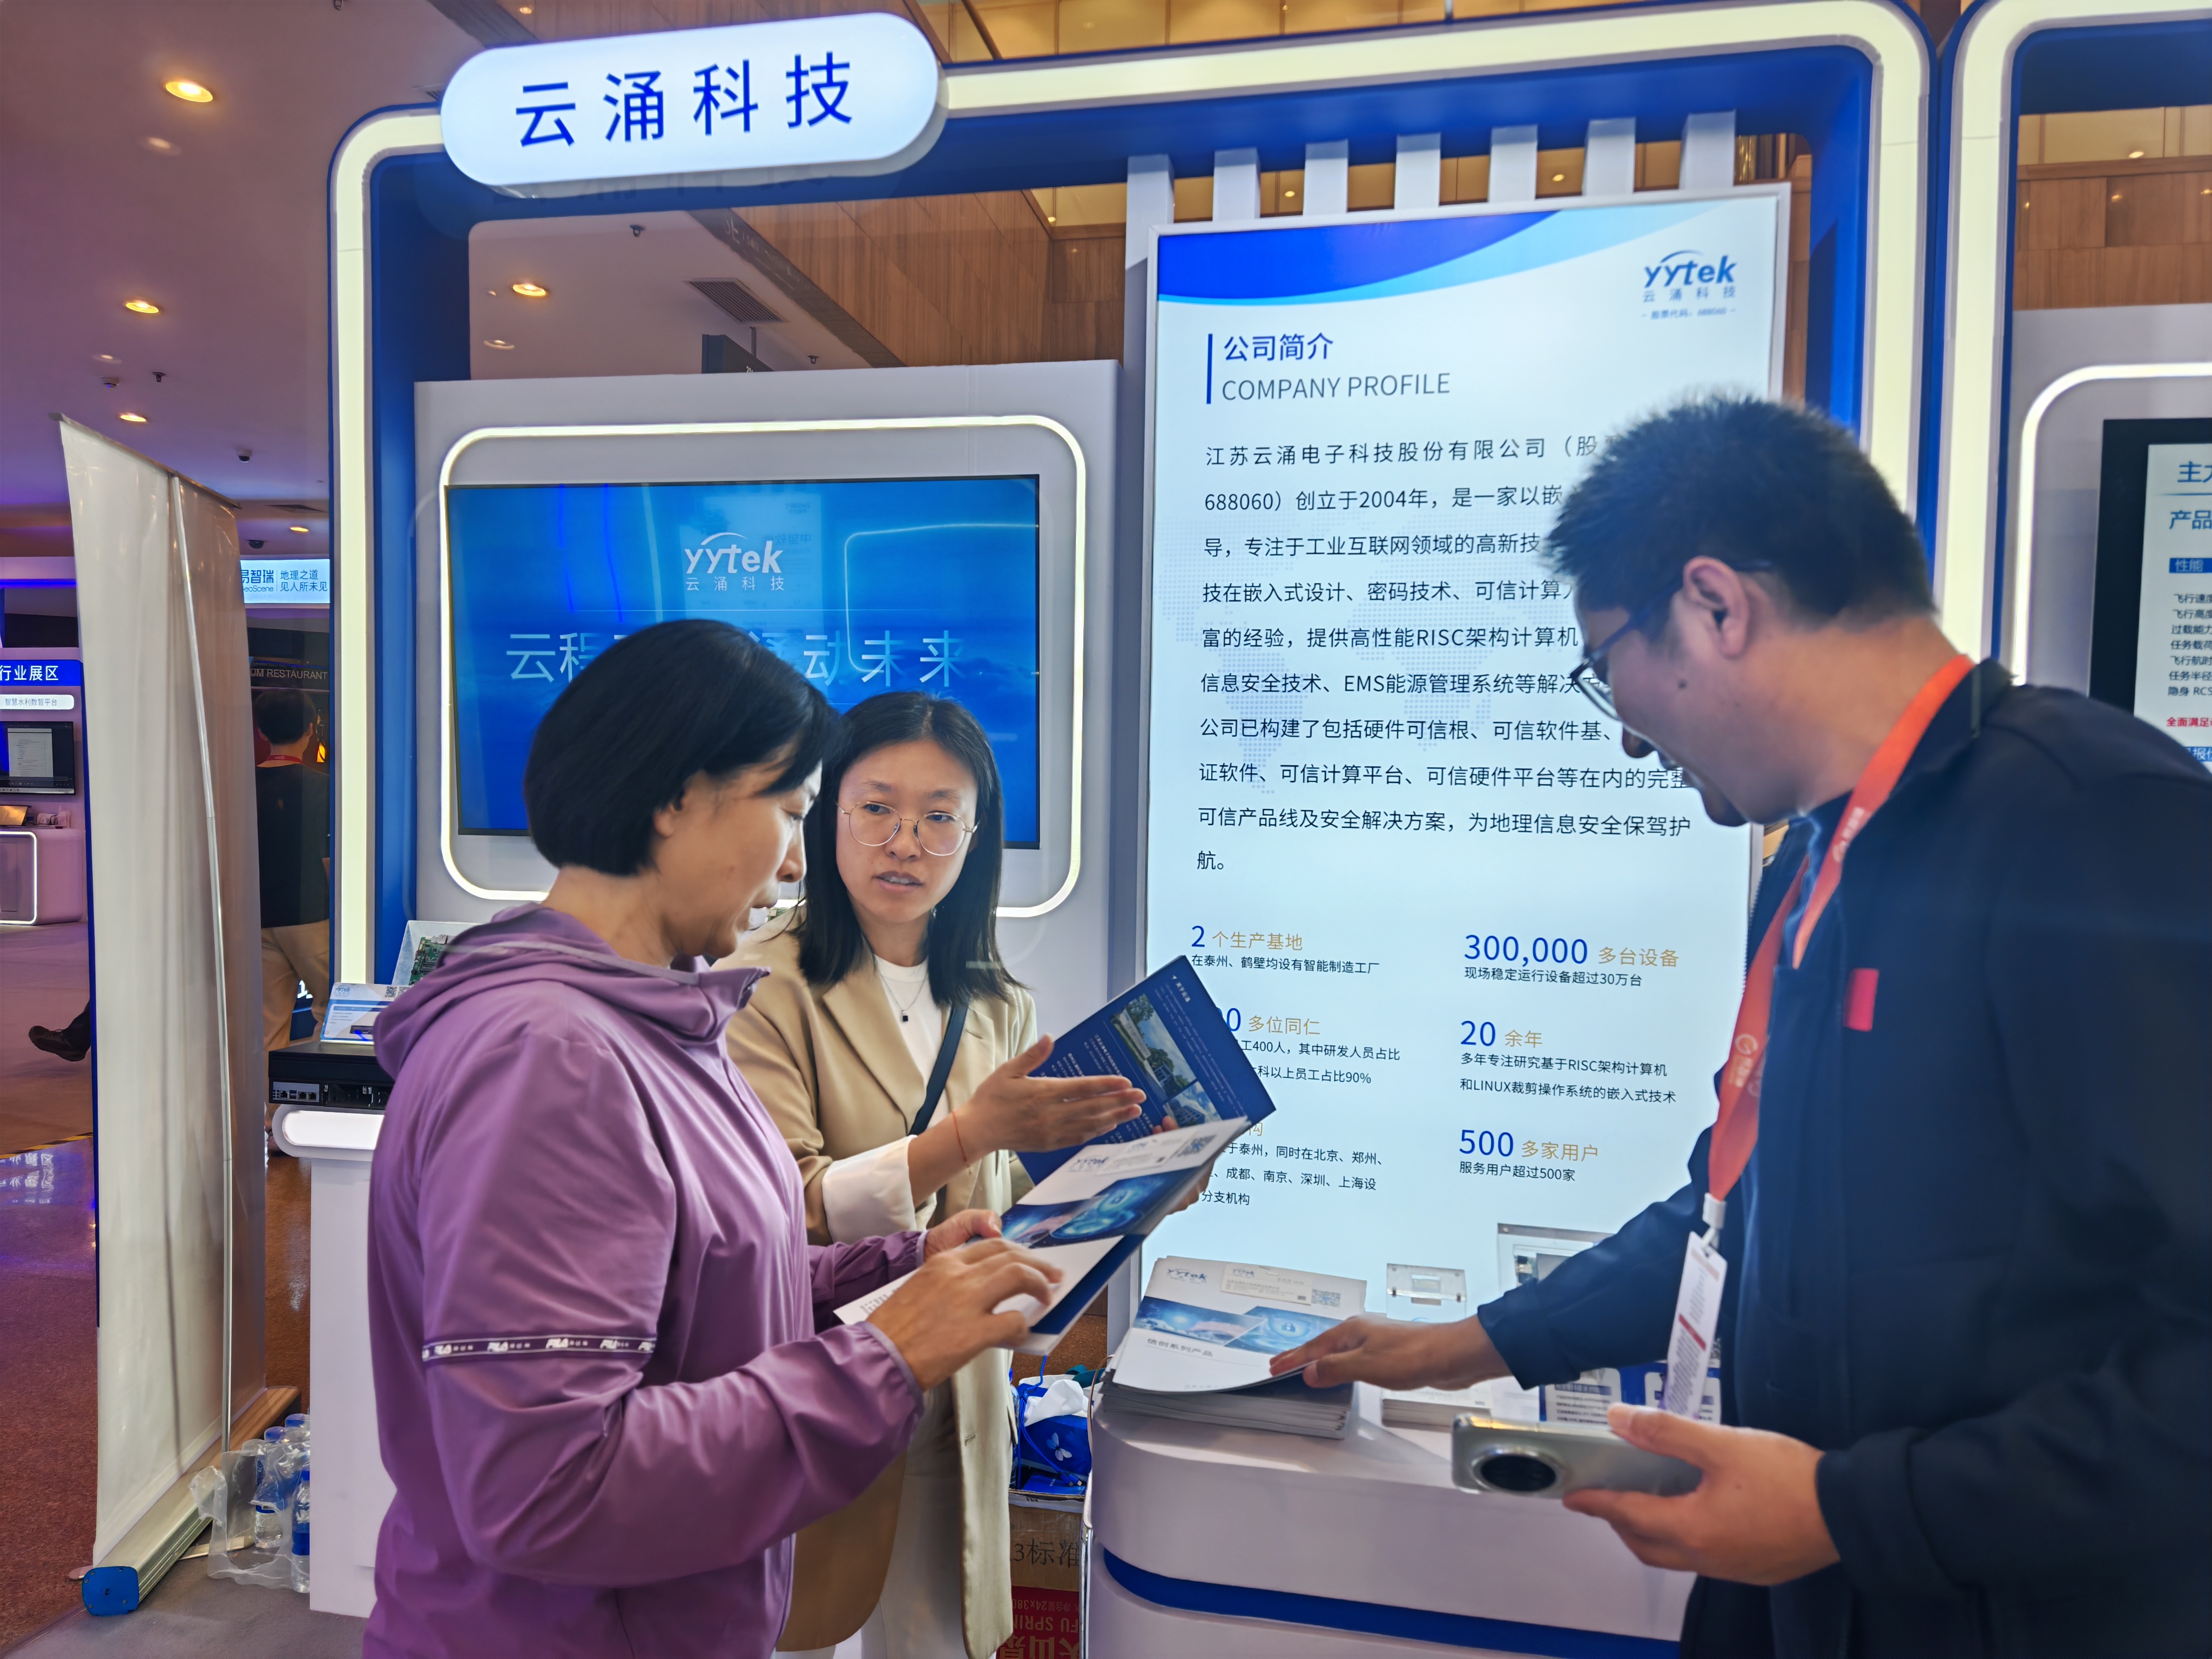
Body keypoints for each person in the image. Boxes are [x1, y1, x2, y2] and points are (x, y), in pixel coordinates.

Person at [1272, 396, 2211, 1657]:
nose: (1625, 735)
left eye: (1605, 664)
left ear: (1715, 605)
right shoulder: (1818, 858)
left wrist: (1850, 1509)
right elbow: (1738, 1207)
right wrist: (1473, 1342)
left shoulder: (2089, 821)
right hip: (1822, 1602)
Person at [363, 623, 1066, 1658]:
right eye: (789, 810)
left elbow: (708, 1278)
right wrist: (885, 1357)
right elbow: (546, 1486)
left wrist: (904, 1265)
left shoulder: (649, 1021)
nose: (795, 860)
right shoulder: (548, 1060)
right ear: (676, 797)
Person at [724, 692, 1146, 1659]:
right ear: (827, 814)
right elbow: (783, 1206)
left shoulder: (997, 1001)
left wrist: (1140, 1188)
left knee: (938, 1640)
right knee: (802, 1634)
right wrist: (967, 1133)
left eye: (938, 816)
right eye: (876, 808)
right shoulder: (762, 985)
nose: (904, 844)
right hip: (822, 1385)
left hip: (962, 1397)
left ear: (975, 835)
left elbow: (1005, 1210)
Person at [252, 688, 331, 1050]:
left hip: (260, 918)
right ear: (312, 728)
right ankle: (315, 1081)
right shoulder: (322, 788)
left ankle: (268, 1091)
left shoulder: (241, 787)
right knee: (333, 1009)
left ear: (261, 731)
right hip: (310, 917)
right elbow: (327, 858)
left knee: (268, 1025)